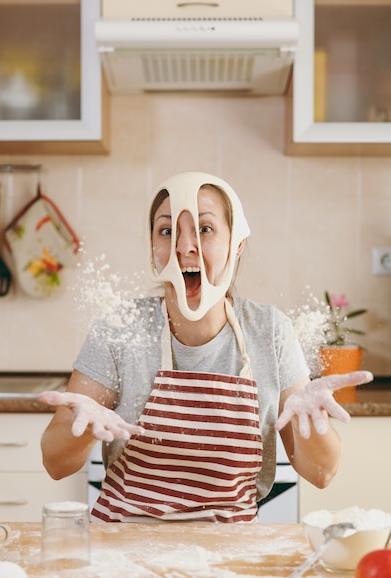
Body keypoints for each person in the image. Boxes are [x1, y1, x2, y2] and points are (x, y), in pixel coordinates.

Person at [40, 171, 372, 523]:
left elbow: (322, 474)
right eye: (167, 231)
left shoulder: (269, 332)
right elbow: (55, 463)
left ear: (237, 243)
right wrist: (83, 429)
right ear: (152, 247)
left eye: (205, 228)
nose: (185, 246)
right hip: (126, 543)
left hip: (229, 555)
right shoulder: (119, 329)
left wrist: (312, 420)